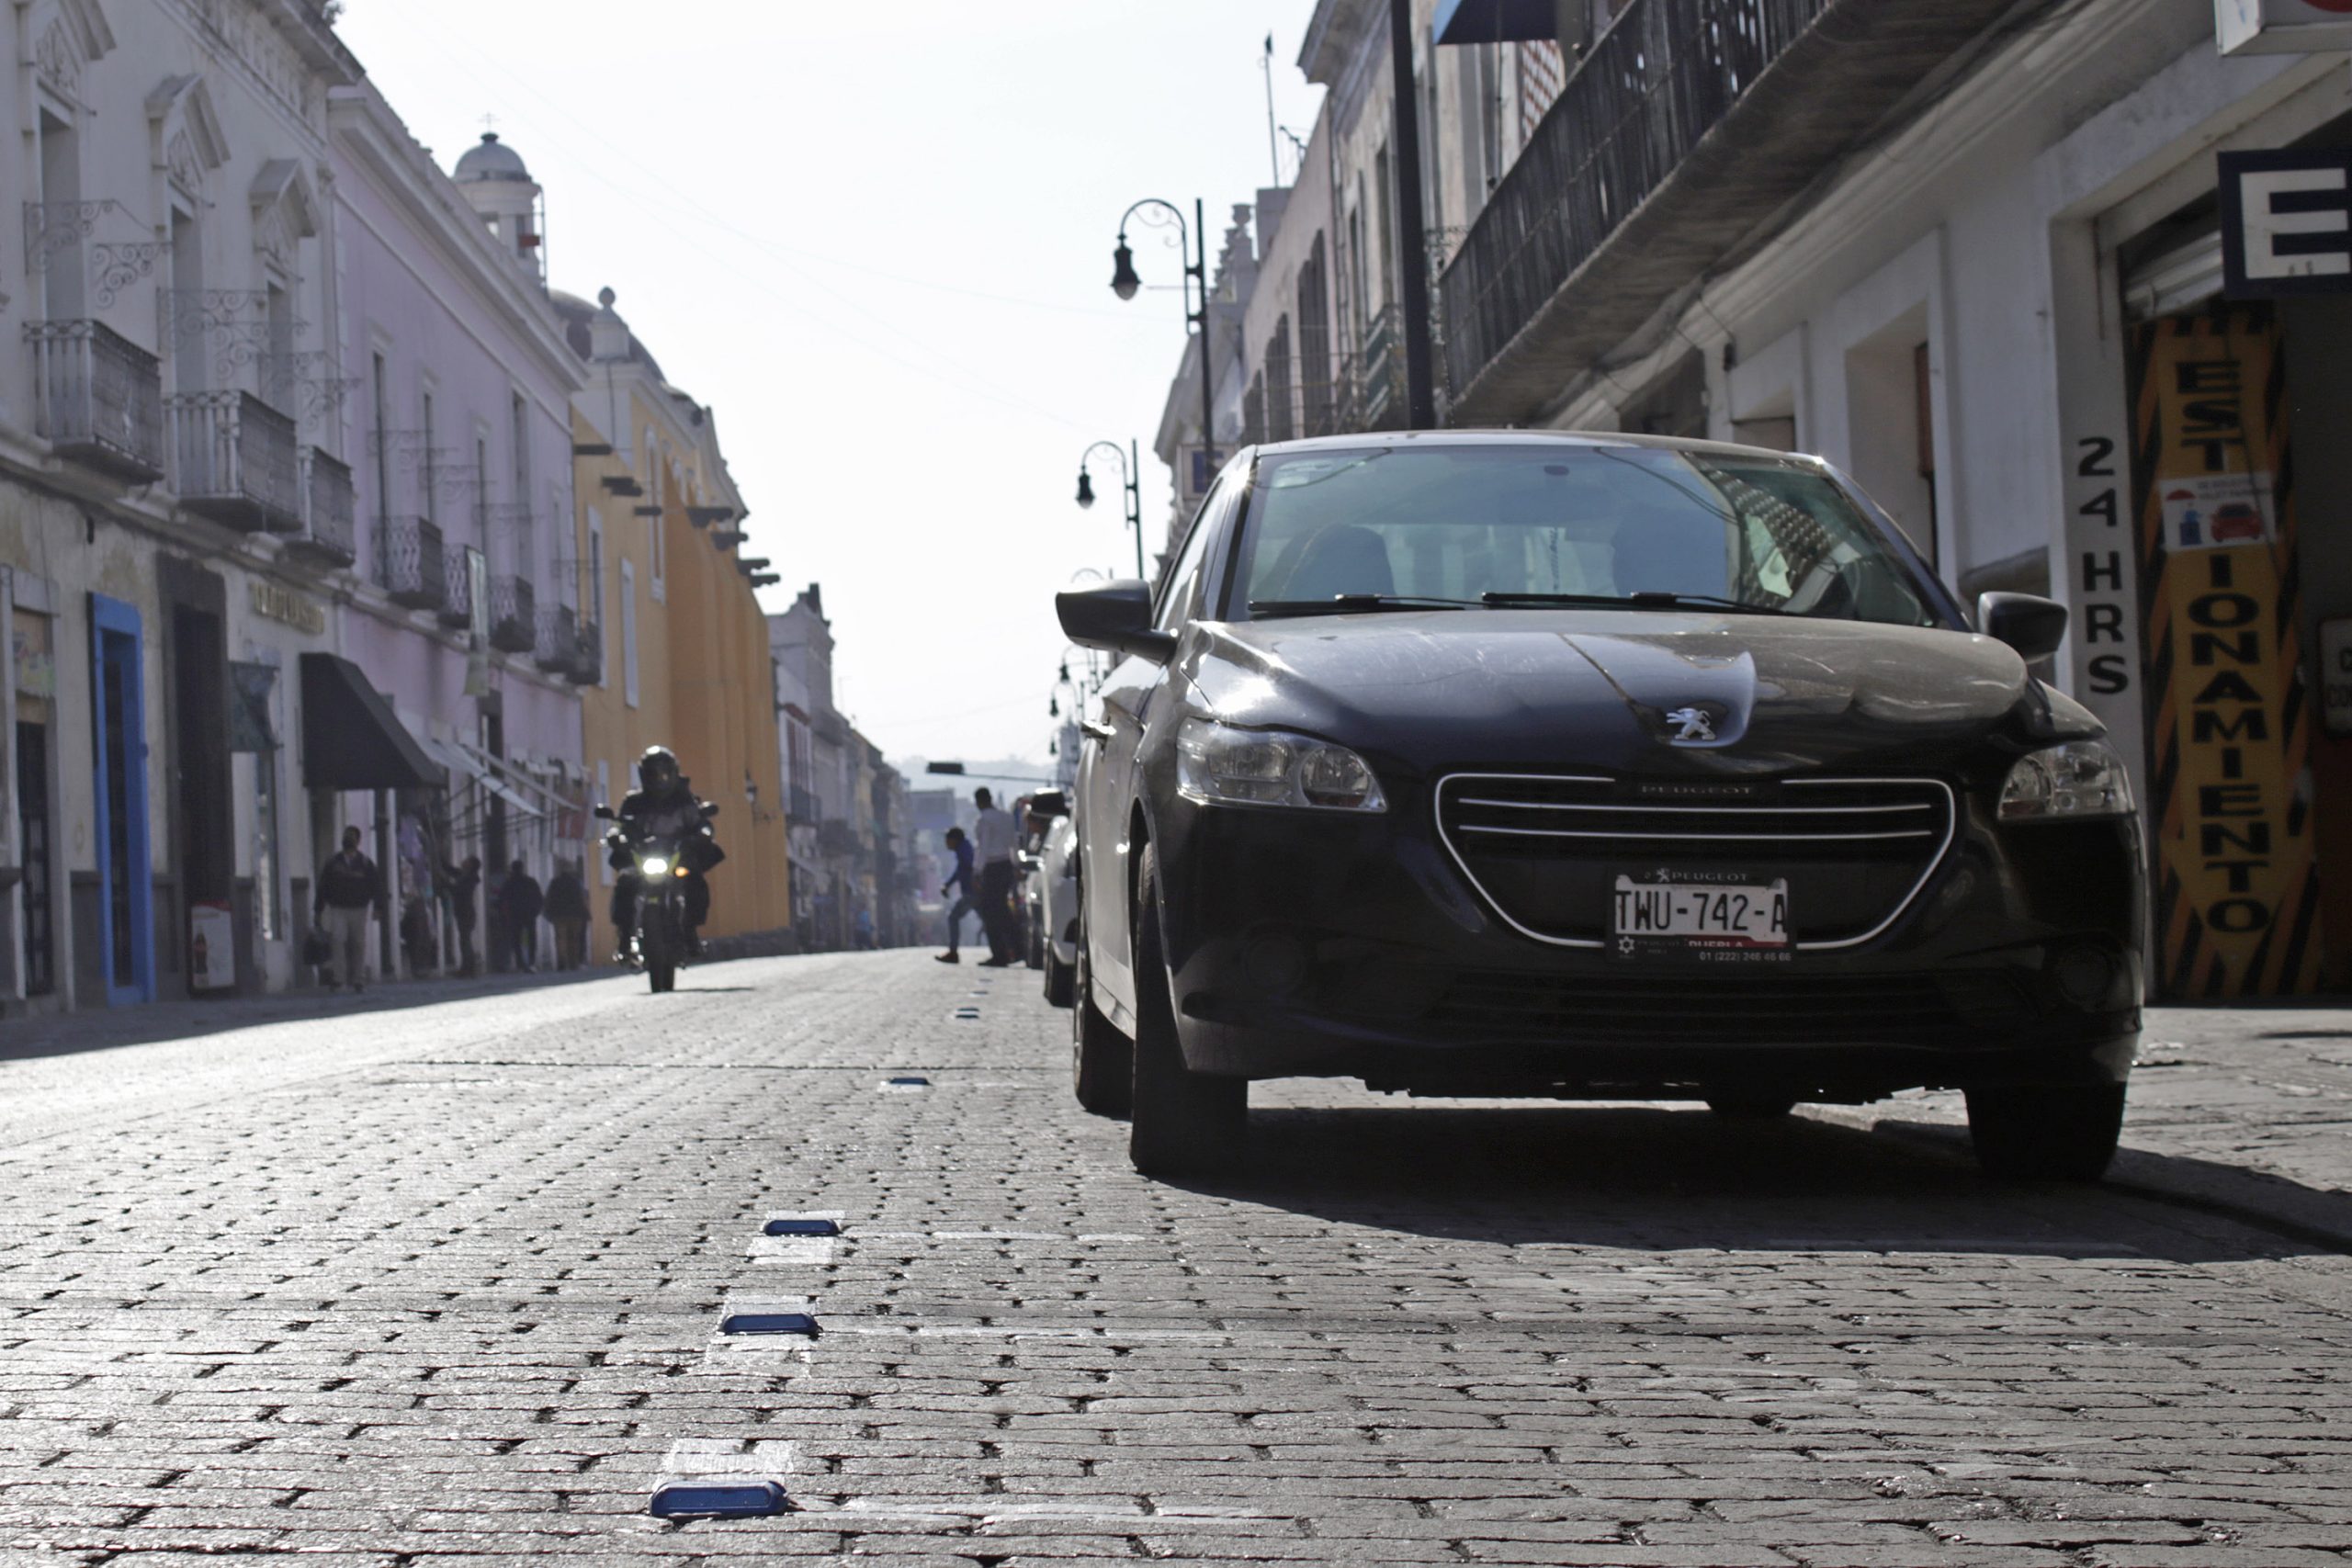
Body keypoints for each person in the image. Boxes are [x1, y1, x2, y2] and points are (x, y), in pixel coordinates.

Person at [608, 745, 720, 961]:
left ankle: (690, 932)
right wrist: (616, 836)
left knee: (695, 883)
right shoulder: (633, 802)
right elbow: (620, 825)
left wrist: (704, 833)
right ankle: (624, 939)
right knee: (624, 885)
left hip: (676, 857)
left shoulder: (684, 800)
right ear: (644, 775)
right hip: (643, 859)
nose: (660, 779)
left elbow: (700, 822)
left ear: (673, 773)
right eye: (653, 773)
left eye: (664, 773)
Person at [312, 825, 381, 993]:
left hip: (359, 909)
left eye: (351, 836)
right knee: (337, 941)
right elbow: (323, 886)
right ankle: (339, 979)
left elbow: (376, 886)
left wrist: (378, 907)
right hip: (338, 909)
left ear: (358, 841)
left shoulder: (365, 864)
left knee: (358, 944)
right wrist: (318, 909)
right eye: (346, 836)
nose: (348, 839)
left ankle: (358, 979)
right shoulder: (333, 863)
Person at [971, 786, 1019, 967]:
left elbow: (983, 847)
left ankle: (999, 954)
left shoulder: (984, 820)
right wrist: (1015, 864)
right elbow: (1013, 842)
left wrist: (977, 872)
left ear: (979, 801)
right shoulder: (1006, 817)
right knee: (1003, 910)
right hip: (1006, 865)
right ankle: (1017, 947)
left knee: (990, 912)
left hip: (992, 868)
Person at [936, 826, 978, 964]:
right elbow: (960, 871)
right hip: (972, 893)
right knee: (990, 921)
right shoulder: (963, 849)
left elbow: (968, 867)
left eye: (948, 839)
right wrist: (948, 885)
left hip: (972, 893)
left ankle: (953, 953)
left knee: (953, 917)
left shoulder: (964, 850)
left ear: (954, 839)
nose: (946, 842)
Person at [545, 862, 591, 971]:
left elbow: (549, 898)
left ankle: (562, 962)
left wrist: (549, 912)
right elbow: (582, 899)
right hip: (575, 915)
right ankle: (573, 962)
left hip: (559, 915)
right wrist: (585, 913)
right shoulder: (576, 883)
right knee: (574, 939)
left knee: (560, 938)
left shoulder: (555, 882)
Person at [443, 853, 482, 976]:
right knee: (464, 941)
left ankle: (468, 969)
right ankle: (467, 968)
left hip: (466, 913)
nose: (463, 861)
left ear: (470, 865)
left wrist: (444, 881)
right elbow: (450, 869)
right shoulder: (465, 876)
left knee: (465, 941)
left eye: (466, 860)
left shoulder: (469, 879)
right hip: (464, 912)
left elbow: (456, 891)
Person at [504, 859, 544, 973]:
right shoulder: (530, 881)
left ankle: (520, 963)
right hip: (529, 914)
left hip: (515, 914)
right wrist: (536, 911)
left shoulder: (510, 882)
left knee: (516, 939)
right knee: (531, 938)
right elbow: (539, 897)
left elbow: (503, 898)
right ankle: (531, 962)